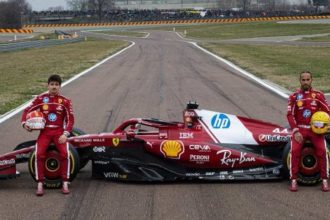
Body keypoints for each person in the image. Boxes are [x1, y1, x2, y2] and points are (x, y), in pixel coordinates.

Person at [21, 74, 74, 196]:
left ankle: (65, 182)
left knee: (65, 154)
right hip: (44, 133)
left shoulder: (65, 101)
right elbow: (26, 111)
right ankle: (40, 184)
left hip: (59, 132)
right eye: (52, 84)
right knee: (39, 154)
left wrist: (66, 134)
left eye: (56, 85)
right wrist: (24, 124)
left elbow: (70, 120)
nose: (54, 87)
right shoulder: (40, 99)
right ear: (48, 85)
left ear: (60, 86)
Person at [287, 70, 330, 192]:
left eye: (308, 79)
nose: (305, 82)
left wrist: (326, 125)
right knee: (294, 151)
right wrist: (295, 131)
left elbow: (327, 111)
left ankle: (324, 180)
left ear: (312, 80)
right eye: (303, 79)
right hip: (299, 129)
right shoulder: (294, 96)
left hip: (315, 130)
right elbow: (290, 115)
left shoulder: (318, 95)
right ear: (300, 81)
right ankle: (294, 180)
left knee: (322, 151)